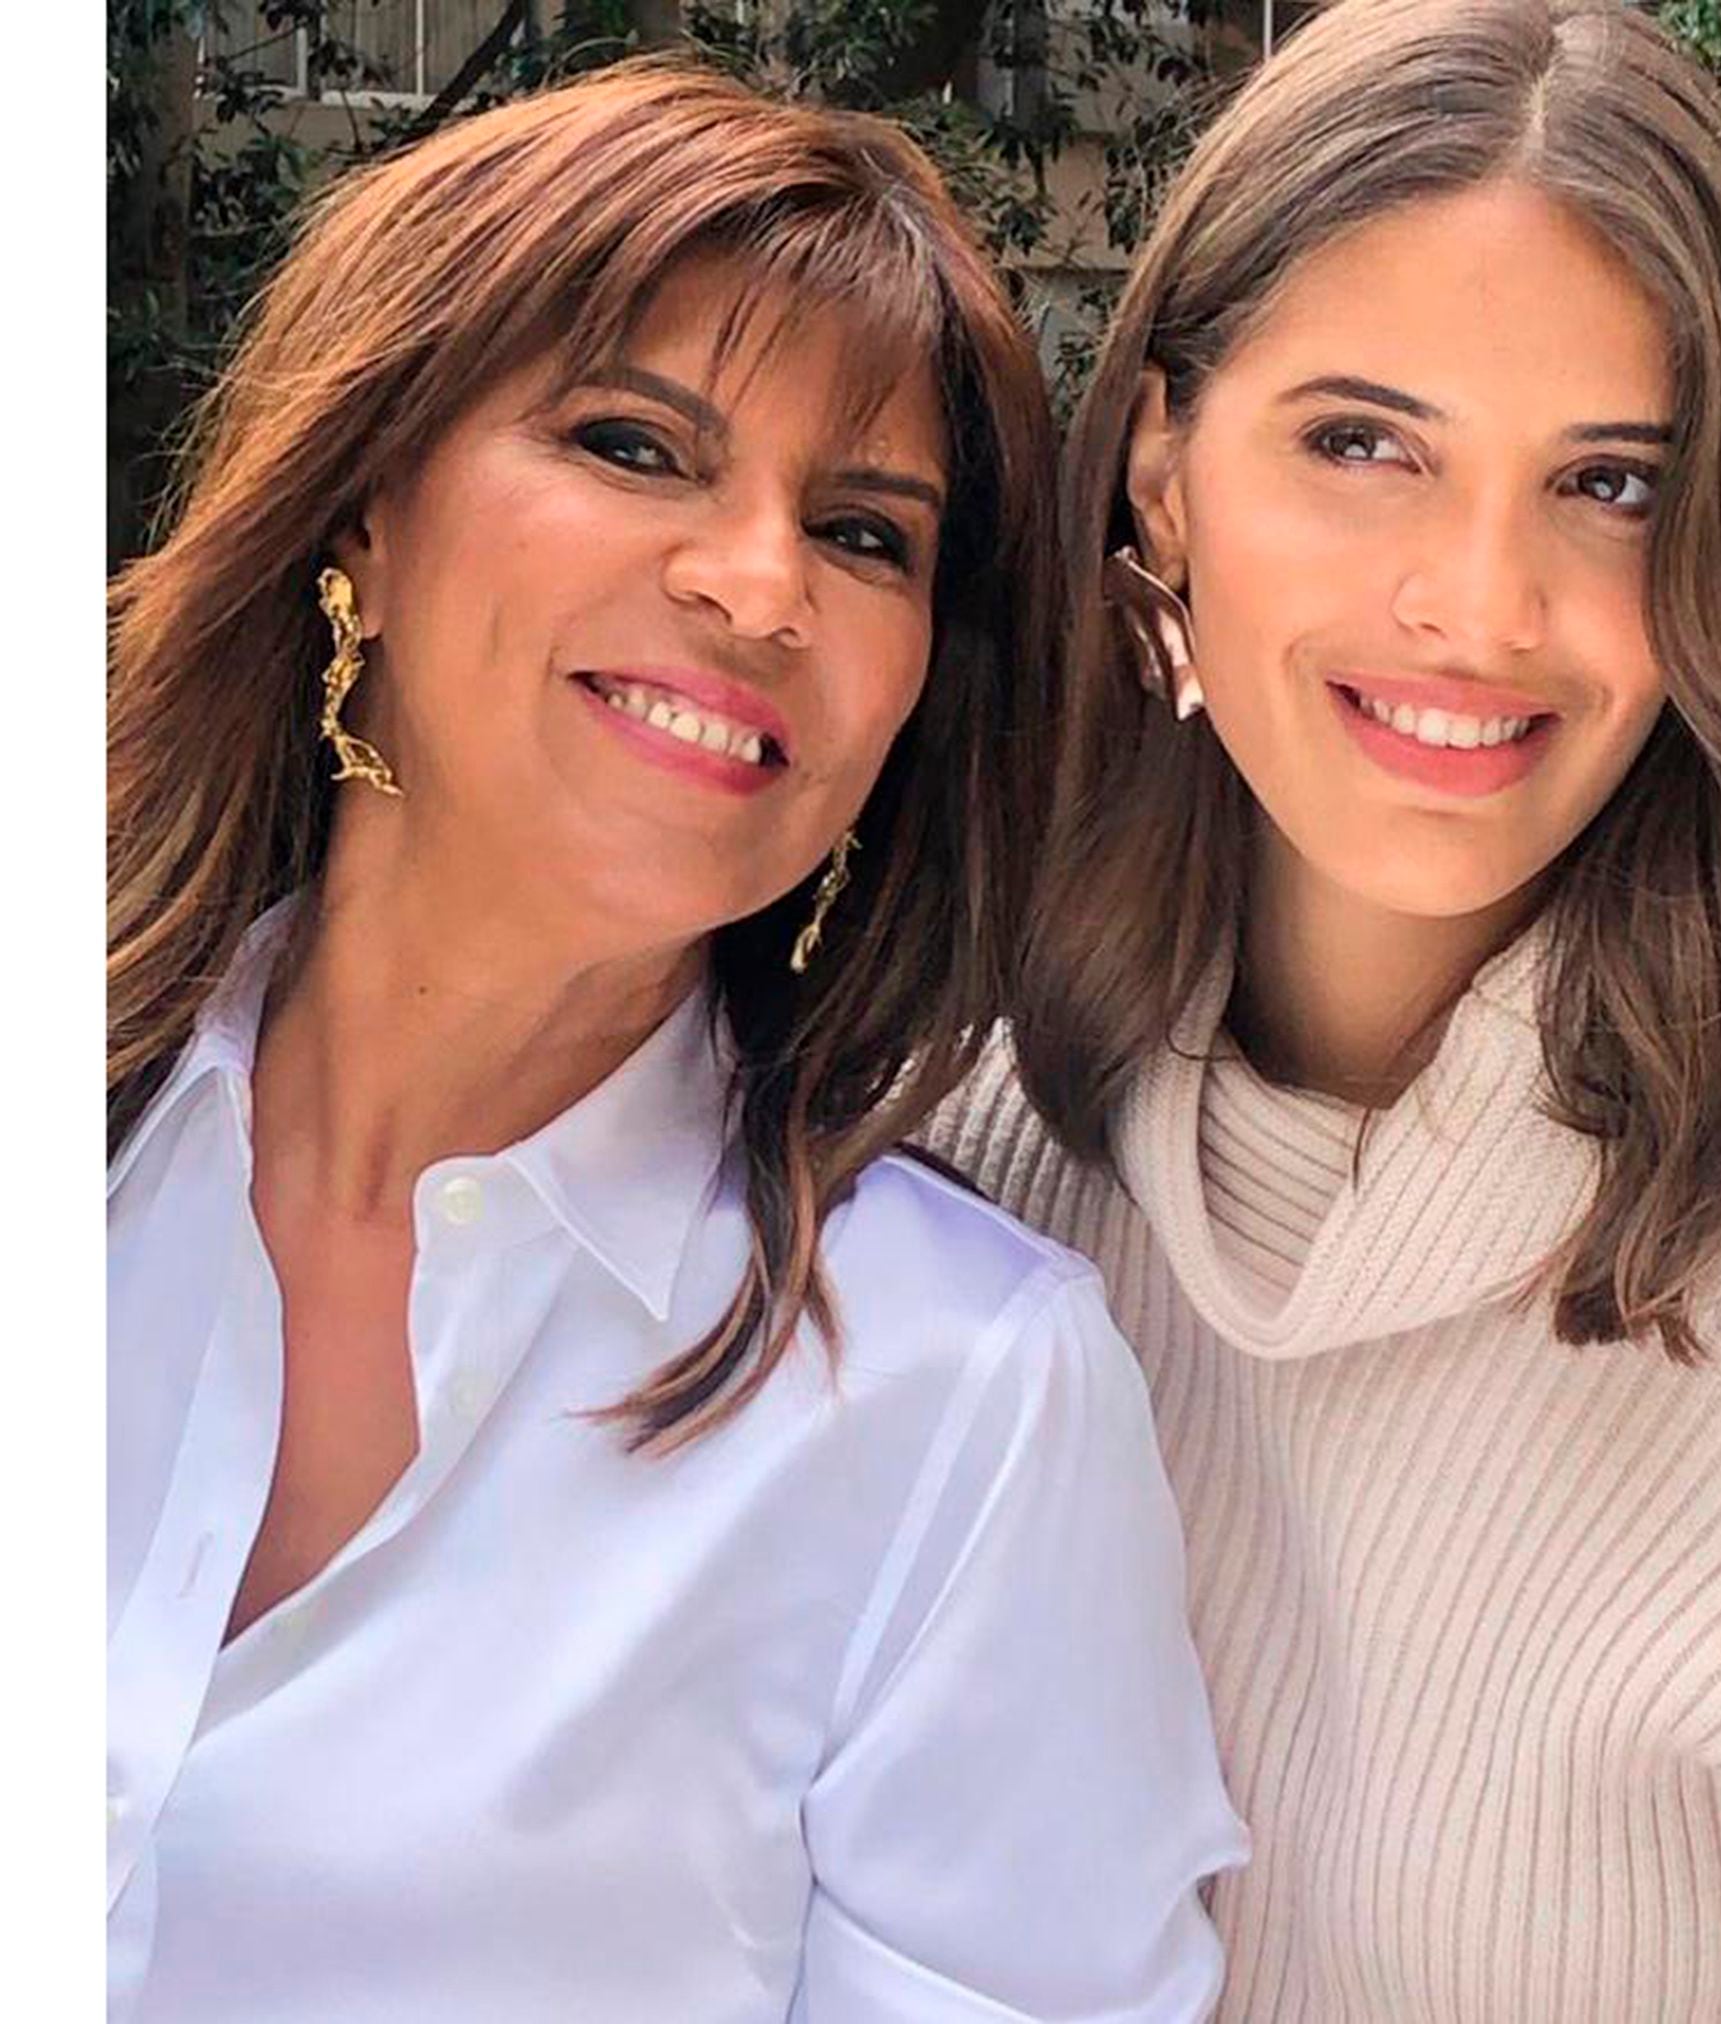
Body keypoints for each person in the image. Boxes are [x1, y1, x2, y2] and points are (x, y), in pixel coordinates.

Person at [107, 61, 1246, 2023]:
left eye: (867, 535)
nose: (759, 582)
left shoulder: (961, 1398)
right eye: (634, 445)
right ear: (365, 503)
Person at [924, 0, 1721, 2016]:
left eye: (1609, 483)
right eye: (1362, 443)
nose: (1481, 606)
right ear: (1164, 471)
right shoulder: (947, 1151)